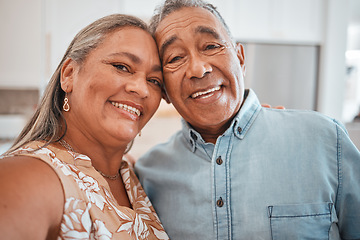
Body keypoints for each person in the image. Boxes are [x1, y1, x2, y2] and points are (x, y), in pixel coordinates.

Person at [135, 0, 360, 239]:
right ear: (164, 91)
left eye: (211, 46)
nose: (198, 69)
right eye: (175, 58)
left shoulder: (324, 139)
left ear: (240, 58)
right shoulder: (148, 175)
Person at [0, 14, 169, 239]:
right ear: (69, 74)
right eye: (122, 66)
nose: (142, 89)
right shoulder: (27, 178)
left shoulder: (130, 177)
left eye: (154, 81)